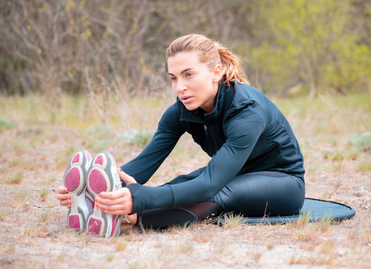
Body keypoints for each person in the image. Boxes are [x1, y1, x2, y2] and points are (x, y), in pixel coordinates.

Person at [56, 34, 305, 236]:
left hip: (283, 183)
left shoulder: (247, 111)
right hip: (235, 174)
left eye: (189, 74)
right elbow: (143, 165)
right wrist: (101, 187)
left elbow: (210, 183)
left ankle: (132, 219)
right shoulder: (179, 112)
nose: (180, 87)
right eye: (173, 78)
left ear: (216, 72)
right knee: (181, 183)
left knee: (215, 191)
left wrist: (141, 199)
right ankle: (100, 206)